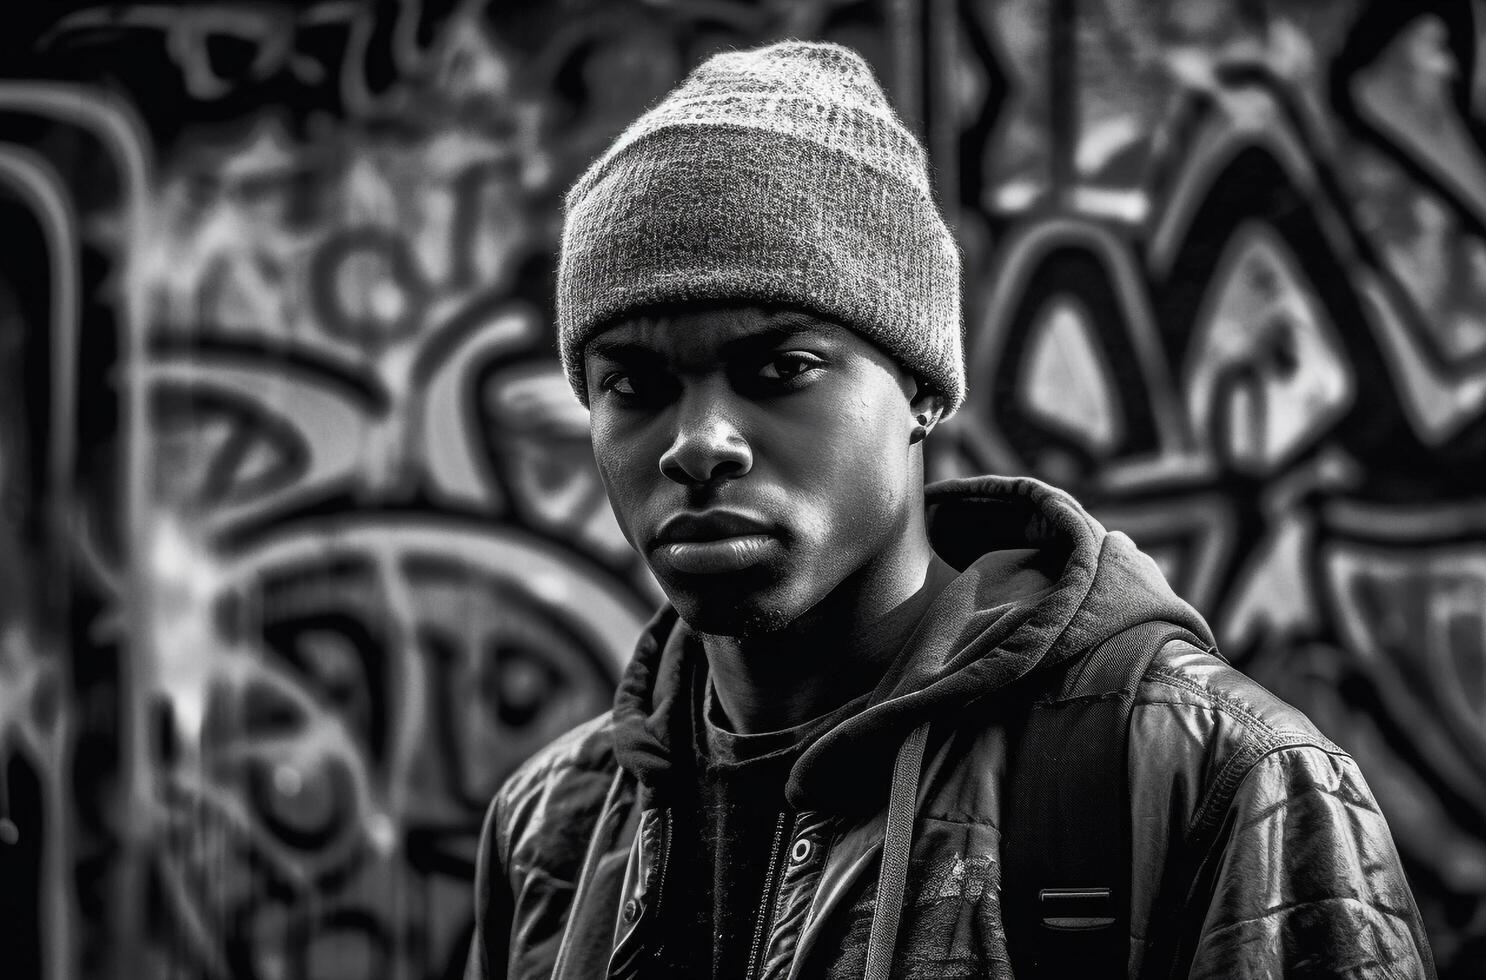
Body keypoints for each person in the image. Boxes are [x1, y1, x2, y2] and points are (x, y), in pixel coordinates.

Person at [467, 40, 1434, 979]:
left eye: (779, 369)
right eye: (631, 385)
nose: (697, 441)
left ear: (922, 391)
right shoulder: (554, 827)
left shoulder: (1207, 779)